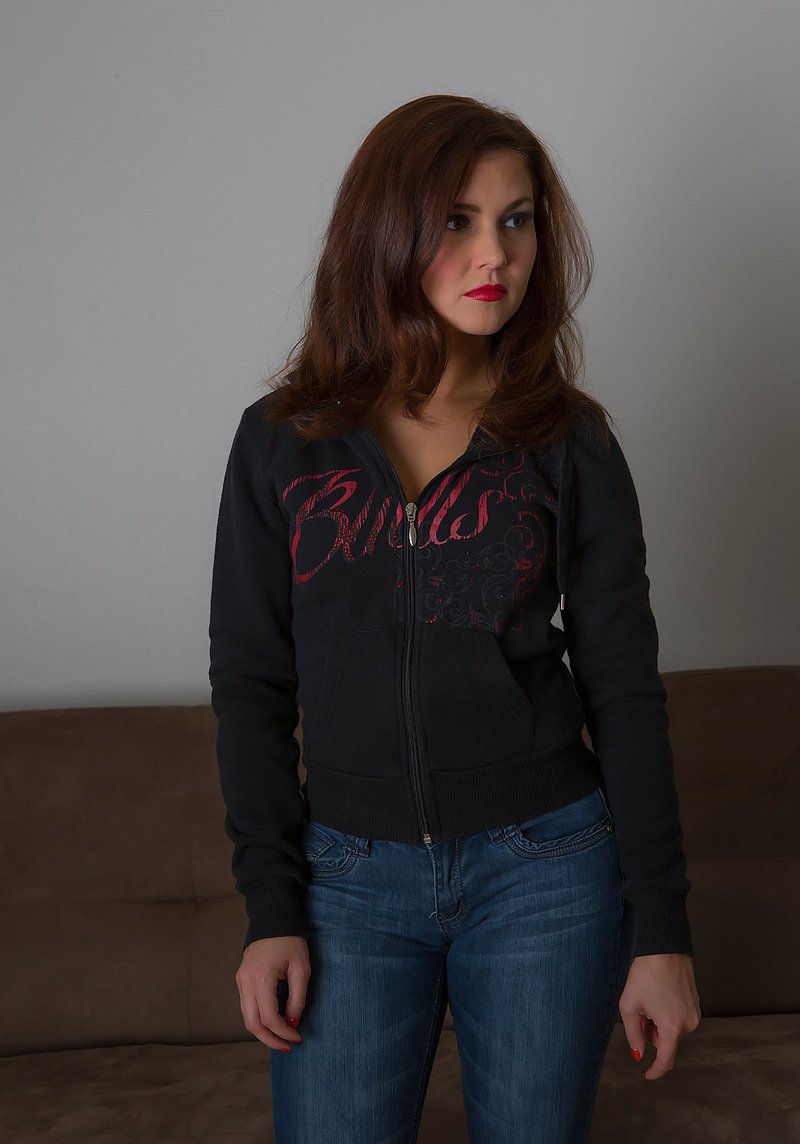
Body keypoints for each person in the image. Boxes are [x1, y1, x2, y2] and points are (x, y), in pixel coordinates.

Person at [208, 93, 701, 1143]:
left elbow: (623, 685)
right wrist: (272, 908)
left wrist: (660, 931)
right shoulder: (282, 443)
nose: (496, 254)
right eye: (456, 221)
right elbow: (250, 682)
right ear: (384, 232)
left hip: (546, 871)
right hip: (345, 879)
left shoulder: (568, 443)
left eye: (516, 219)